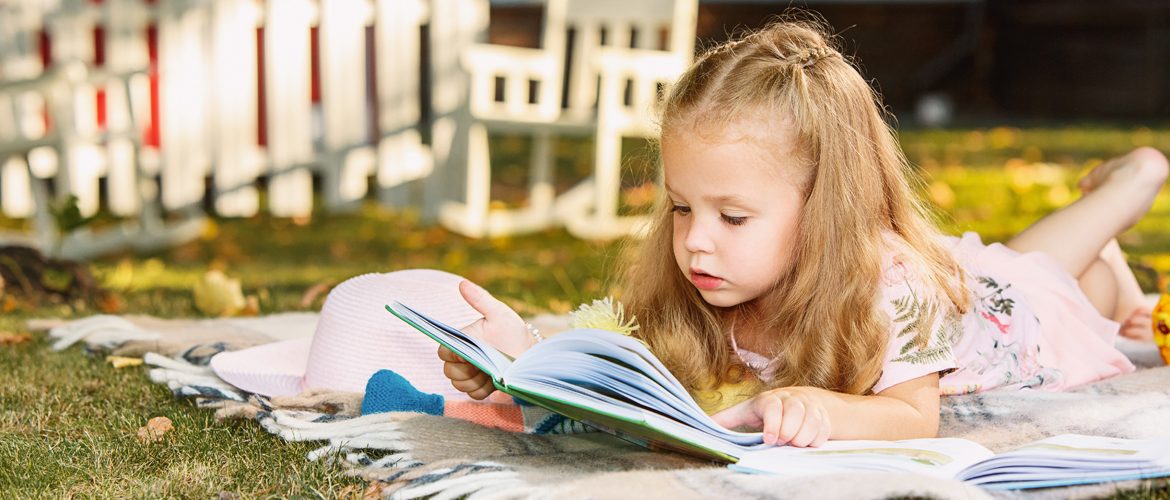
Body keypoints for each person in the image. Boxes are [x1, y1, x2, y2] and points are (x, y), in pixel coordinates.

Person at [438, 19, 1169, 448]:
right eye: (682, 206)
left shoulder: (893, 284)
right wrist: (522, 363)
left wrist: (829, 409)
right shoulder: (716, 272)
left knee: (1049, 279)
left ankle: (1135, 179)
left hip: (1014, 319)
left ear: (825, 208)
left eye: (732, 216)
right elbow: (631, 373)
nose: (694, 240)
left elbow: (913, 416)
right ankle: (1109, 244)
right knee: (1023, 262)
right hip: (965, 285)